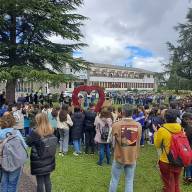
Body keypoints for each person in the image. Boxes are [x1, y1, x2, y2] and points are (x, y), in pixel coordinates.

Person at [109, 105, 142, 192]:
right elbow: (138, 140)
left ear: (122, 112)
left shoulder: (116, 125)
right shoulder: (138, 125)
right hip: (132, 157)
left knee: (114, 179)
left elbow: (110, 140)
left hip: (119, 157)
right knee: (129, 181)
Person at [26, 113, 57, 192]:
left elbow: (28, 142)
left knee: (40, 182)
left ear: (38, 120)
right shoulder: (51, 129)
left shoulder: (35, 132)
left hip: (39, 159)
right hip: (49, 157)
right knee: (47, 179)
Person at [154, 109, 183, 192]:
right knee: (176, 182)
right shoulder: (180, 128)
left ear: (165, 119)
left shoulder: (162, 130)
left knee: (169, 183)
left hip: (166, 160)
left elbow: (157, 145)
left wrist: (156, 133)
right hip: (179, 159)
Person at [0, 114, 27, 192]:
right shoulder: (16, 132)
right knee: (12, 183)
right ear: (13, 122)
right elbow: (24, 146)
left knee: (3, 182)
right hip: (15, 161)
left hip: (2, 161)